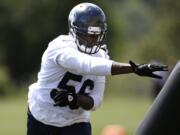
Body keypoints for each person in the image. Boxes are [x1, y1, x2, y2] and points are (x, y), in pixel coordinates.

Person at [27, 2, 167, 135]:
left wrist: (74, 98)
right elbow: (86, 64)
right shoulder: (59, 47)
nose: (91, 40)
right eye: (86, 34)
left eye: (95, 35)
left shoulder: (101, 56)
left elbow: (95, 101)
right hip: (42, 115)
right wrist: (133, 68)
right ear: (74, 31)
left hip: (75, 122)